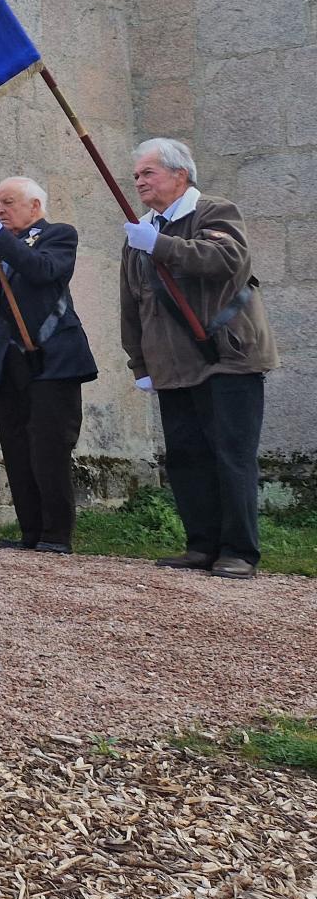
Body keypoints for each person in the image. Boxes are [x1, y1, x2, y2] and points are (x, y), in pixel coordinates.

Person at [120, 137, 276, 580]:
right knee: (187, 457)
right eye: (136, 176)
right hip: (172, 367)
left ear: (180, 174)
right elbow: (132, 305)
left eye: (148, 173)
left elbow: (226, 260)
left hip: (227, 356)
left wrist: (161, 245)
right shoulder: (140, 233)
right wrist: (140, 364)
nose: (140, 182)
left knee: (232, 455)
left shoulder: (212, 210)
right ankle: (202, 545)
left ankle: (239, 551)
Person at [0, 177, 98, 554]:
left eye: (8, 202)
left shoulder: (58, 235)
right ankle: (30, 531)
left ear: (35, 206)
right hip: (8, 364)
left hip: (51, 360)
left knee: (49, 449)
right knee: (18, 448)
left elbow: (42, 271)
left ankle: (55, 535)